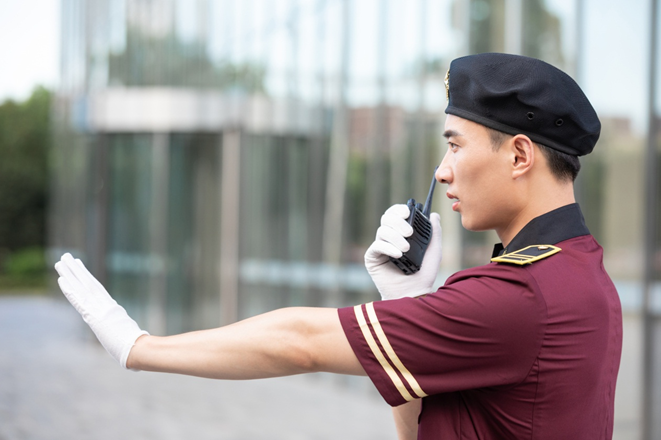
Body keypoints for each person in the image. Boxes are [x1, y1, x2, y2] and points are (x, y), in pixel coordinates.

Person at [55, 53, 622, 440]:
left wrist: (140, 347)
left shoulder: (520, 295)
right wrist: (407, 303)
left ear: (520, 155)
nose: (442, 170)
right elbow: (423, 427)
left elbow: (301, 342)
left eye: (455, 145)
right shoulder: (581, 271)